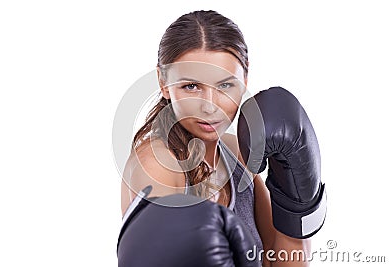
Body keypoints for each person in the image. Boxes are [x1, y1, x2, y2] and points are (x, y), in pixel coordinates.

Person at [119, 10, 326, 266]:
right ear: (164, 82)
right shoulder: (156, 166)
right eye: (191, 86)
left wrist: (295, 205)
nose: (210, 106)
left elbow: (278, 258)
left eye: (225, 85)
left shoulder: (234, 151)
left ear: (245, 79)